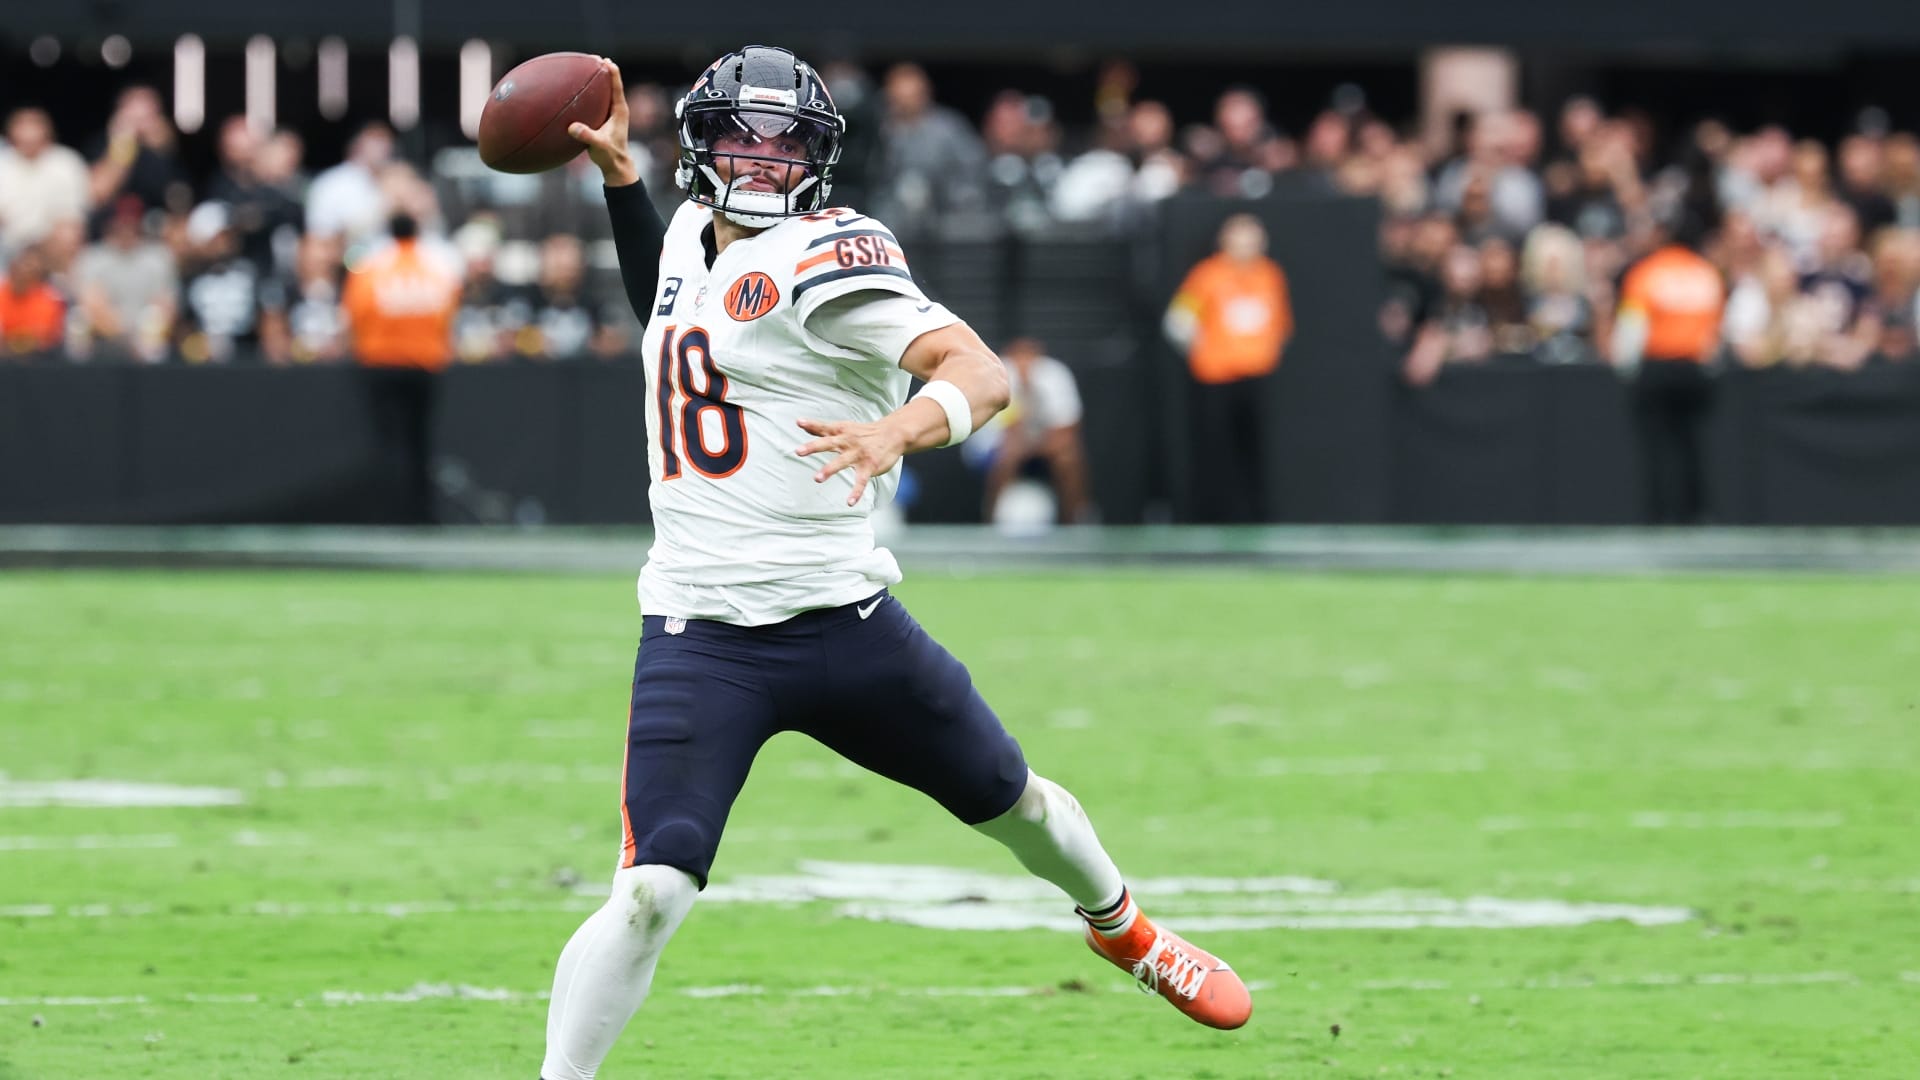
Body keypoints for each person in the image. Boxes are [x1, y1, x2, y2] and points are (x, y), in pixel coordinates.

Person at [537, 49, 1251, 1080]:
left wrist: (899, 432)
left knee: (1018, 804)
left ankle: (1125, 928)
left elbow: (983, 373)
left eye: (784, 145)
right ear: (699, 145)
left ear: (819, 160)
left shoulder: (832, 256)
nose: (761, 163)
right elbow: (673, 293)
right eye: (742, 137)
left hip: (844, 623)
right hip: (701, 632)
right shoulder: (689, 232)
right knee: (652, 891)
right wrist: (617, 183)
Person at [1163, 212, 1294, 522]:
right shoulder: (1208, 275)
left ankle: (1257, 516)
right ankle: (1213, 518)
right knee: (1216, 453)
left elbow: (1281, 324)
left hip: (1257, 376)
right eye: (1239, 236)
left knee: (1255, 452)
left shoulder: (1270, 275)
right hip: (1216, 377)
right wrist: (1205, 351)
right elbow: (1178, 321)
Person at [341, 211, 463, 522]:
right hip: (425, 365)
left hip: (381, 364)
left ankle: (392, 514)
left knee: (389, 443)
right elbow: (449, 313)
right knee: (421, 441)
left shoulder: (371, 268)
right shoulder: (434, 269)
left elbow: (354, 314)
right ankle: (422, 515)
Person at [1611, 206, 1727, 524]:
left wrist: (1626, 369)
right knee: (1692, 444)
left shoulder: (1648, 272)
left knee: (1658, 446)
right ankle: (1696, 514)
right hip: (1695, 371)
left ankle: (1660, 516)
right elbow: (1715, 334)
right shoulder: (1706, 273)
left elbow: (1631, 329)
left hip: (1657, 368)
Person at [974, 337, 1092, 525]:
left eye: (1029, 357)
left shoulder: (1055, 375)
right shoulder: (997, 374)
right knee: (1007, 456)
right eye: (1018, 357)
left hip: (1038, 442)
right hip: (993, 444)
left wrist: (1038, 445)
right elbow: (1006, 432)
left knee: (1068, 458)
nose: (1024, 363)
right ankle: (992, 521)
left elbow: (1067, 429)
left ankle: (1077, 520)